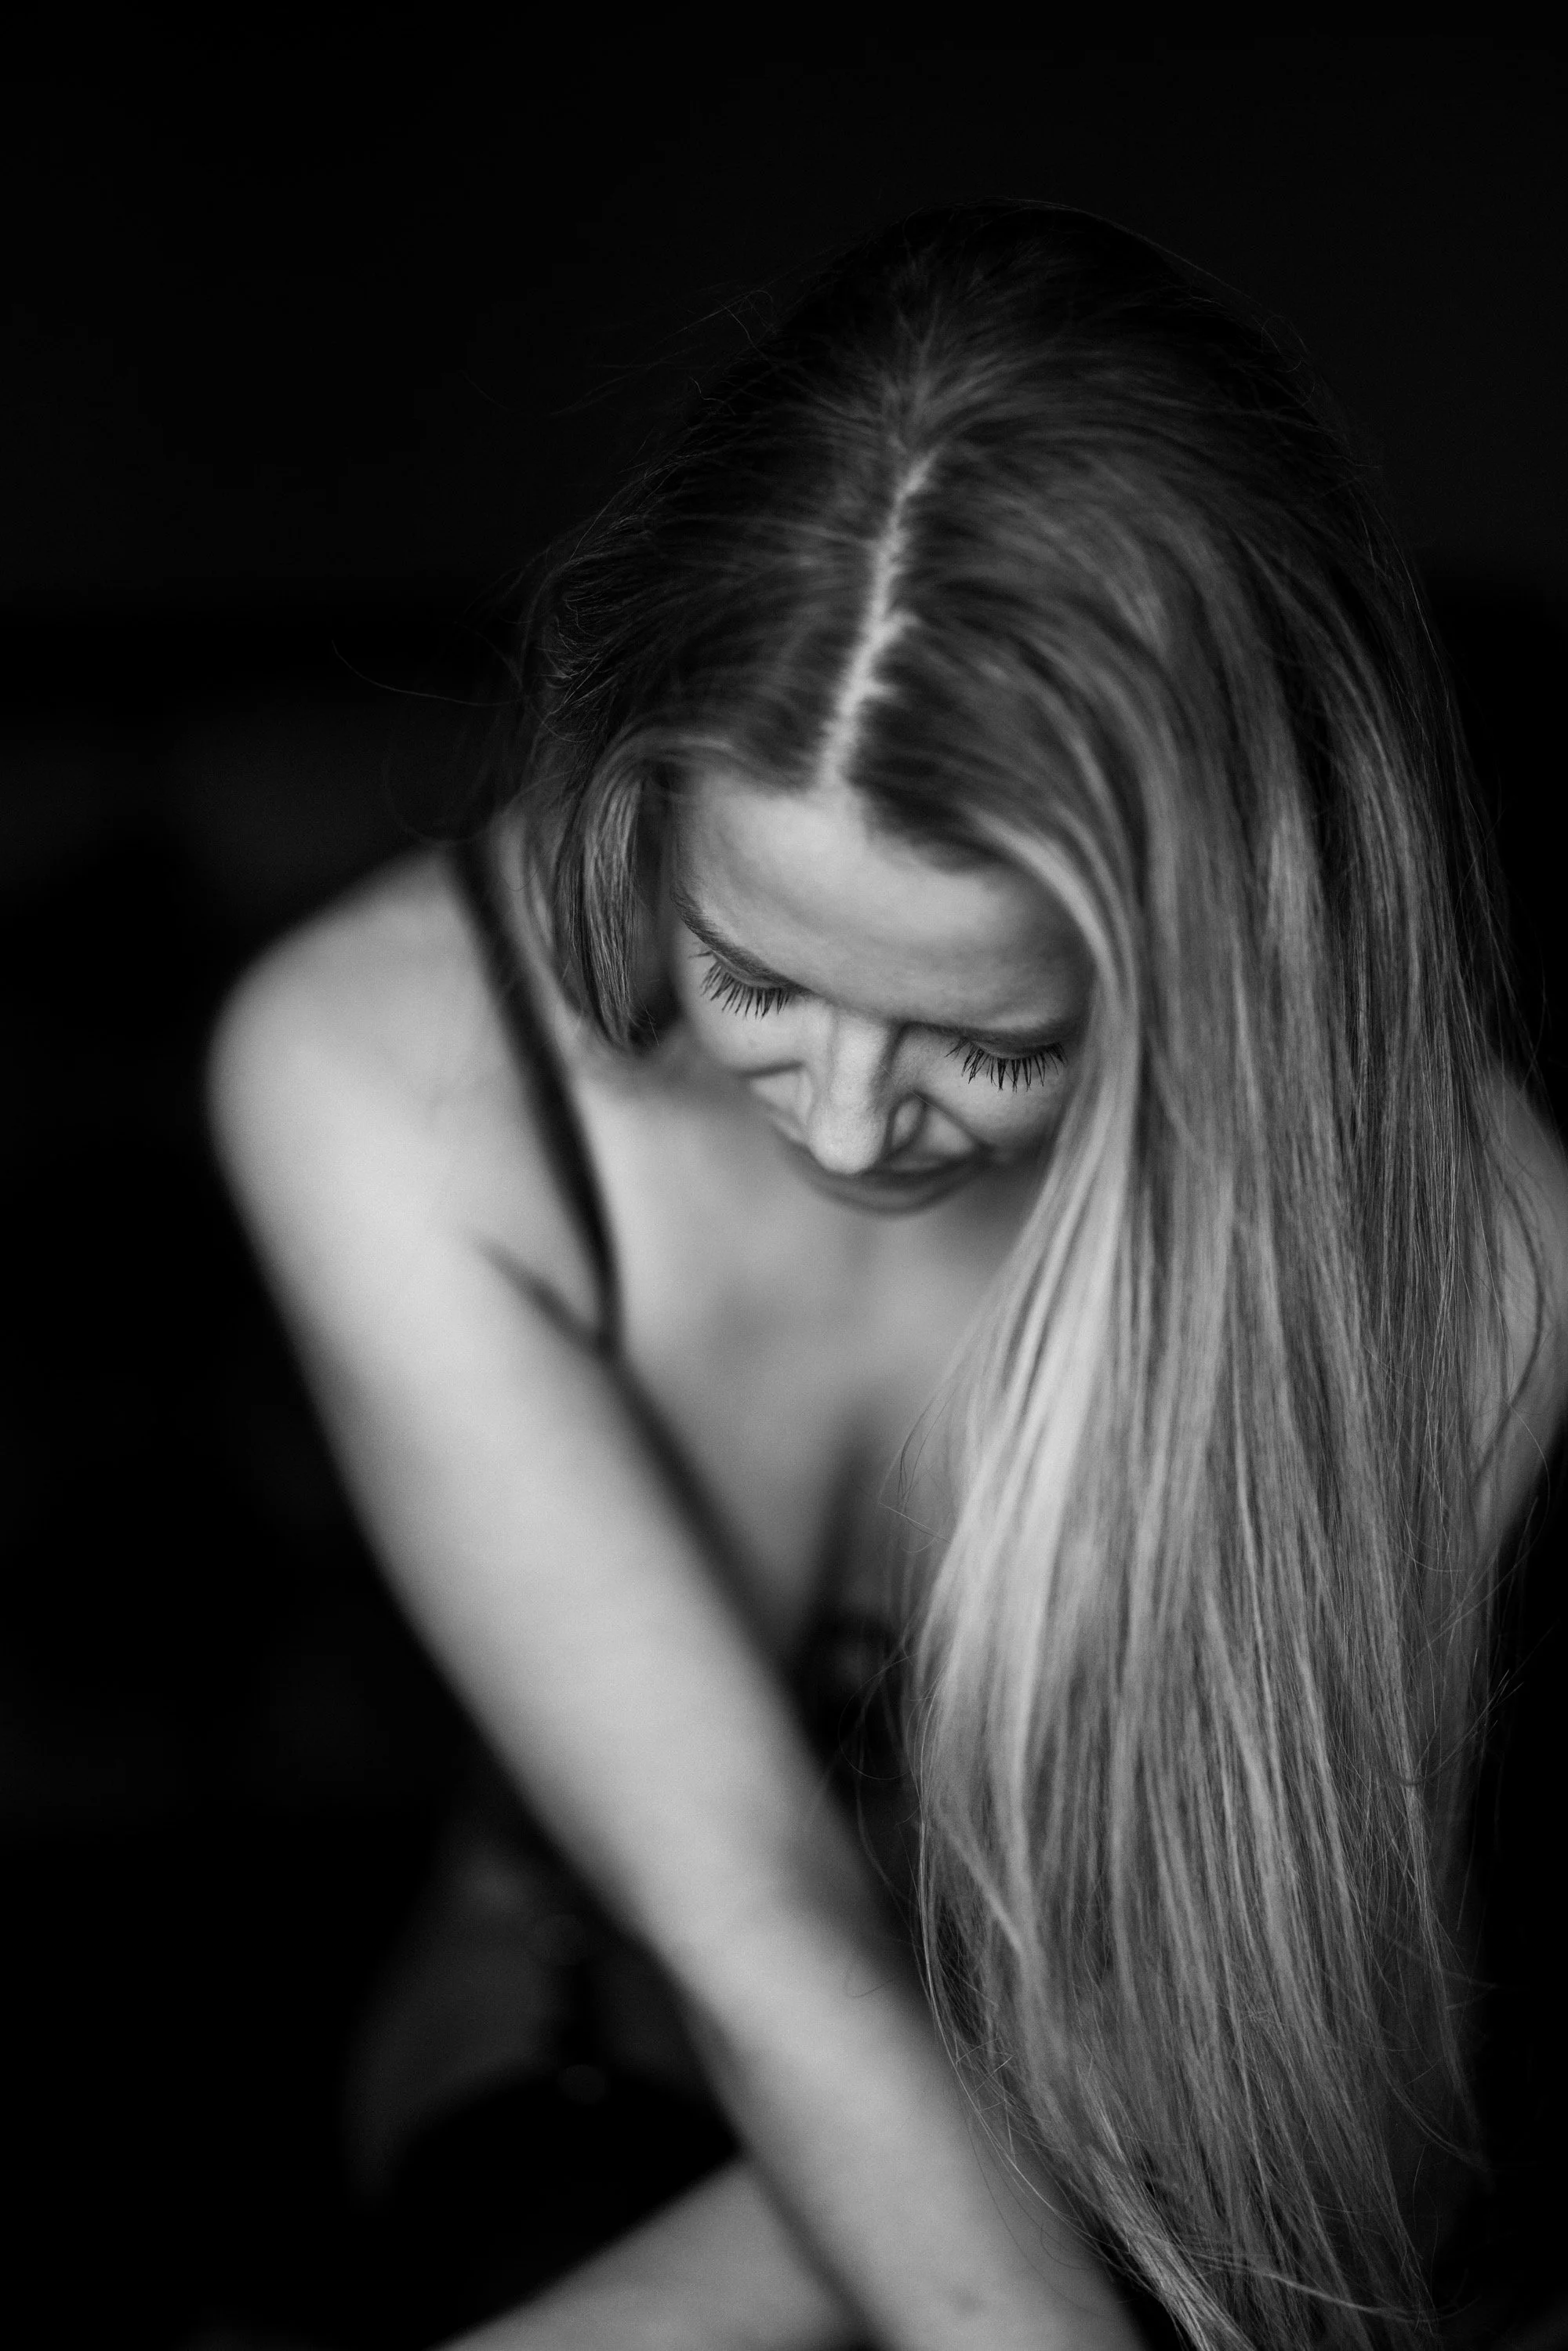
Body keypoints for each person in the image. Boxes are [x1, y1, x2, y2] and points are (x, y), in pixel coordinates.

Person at [208, 203, 1568, 2350]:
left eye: (990, 1038)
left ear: (1220, 948)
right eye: (753, 973)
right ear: (639, 788)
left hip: (1198, 2120)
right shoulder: (381, 1075)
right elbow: (747, 1932)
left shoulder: (1468, 1234)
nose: (845, 1123)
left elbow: (1167, 2035)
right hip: (583, 2093)